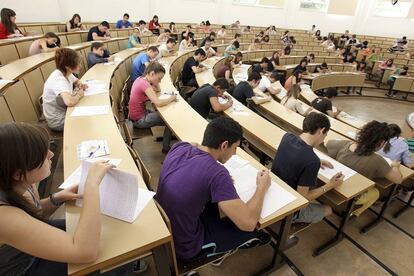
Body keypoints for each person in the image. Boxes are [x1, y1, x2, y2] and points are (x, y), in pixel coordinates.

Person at [0, 123, 119, 275]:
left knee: (101, 234)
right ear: (18, 173)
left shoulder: (18, 183)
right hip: (25, 268)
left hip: (27, 252)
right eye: (43, 154)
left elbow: (29, 215)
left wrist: (56, 199)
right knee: (110, 261)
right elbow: (85, 252)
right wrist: (91, 185)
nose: (51, 154)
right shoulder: (4, 217)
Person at [157, 116, 271, 262]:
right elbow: (249, 223)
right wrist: (261, 187)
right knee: (251, 231)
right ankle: (216, 252)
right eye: (235, 148)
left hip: (167, 229)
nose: (235, 153)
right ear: (224, 145)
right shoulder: (217, 173)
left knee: (219, 206)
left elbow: (195, 145)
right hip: (185, 246)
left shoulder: (180, 147)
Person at [271, 113, 344, 223]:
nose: (323, 139)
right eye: (325, 135)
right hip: (289, 206)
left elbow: (295, 155)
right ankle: (291, 223)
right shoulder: (311, 160)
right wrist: (329, 186)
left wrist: (317, 162)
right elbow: (303, 198)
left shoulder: (287, 136)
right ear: (321, 130)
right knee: (328, 210)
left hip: (274, 189)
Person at [326, 121, 403, 217]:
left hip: (332, 187)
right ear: (382, 143)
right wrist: (395, 166)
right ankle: (353, 213)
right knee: (376, 193)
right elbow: (398, 180)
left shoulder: (345, 144)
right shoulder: (377, 160)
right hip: (350, 196)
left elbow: (328, 143)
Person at [128, 62, 175, 153]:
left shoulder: (140, 79)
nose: (160, 81)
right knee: (170, 120)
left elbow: (158, 90)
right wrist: (172, 98)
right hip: (139, 120)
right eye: (159, 78)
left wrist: (155, 81)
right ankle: (166, 148)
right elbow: (158, 103)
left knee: (163, 115)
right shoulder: (145, 84)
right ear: (152, 73)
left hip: (137, 116)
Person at [42, 48, 86, 131]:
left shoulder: (66, 72)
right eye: (78, 64)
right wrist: (79, 94)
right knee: (86, 122)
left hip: (65, 111)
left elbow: (76, 81)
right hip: (58, 120)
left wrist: (80, 84)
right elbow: (69, 102)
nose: (80, 66)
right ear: (68, 67)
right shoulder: (58, 79)